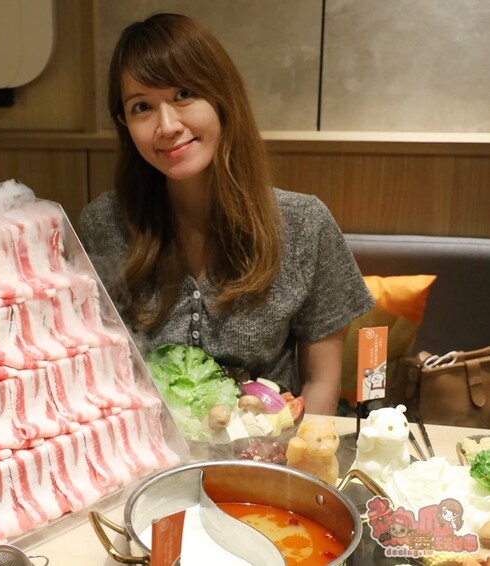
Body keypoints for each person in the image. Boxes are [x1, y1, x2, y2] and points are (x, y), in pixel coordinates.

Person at [77, 12, 373, 416]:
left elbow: (320, 383)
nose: (167, 125)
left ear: (222, 98)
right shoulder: (103, 225)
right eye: (142, 106)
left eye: (184, 94)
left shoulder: (304, 224)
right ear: (124, 123)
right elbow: (91, 373)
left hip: (271, 446)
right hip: (147, 448)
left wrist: (291, 455)